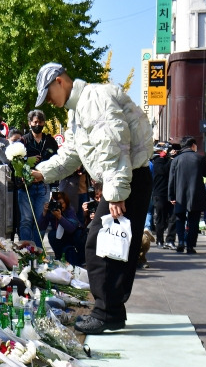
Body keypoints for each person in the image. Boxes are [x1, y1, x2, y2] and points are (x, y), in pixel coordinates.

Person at [31, 62, 153, 335]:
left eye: (49, 94)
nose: (49, 102)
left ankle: (106, 312)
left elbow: (115, 145)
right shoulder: (79, 109)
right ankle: (111, 312)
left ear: (60, 81)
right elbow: (71, 153)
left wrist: (116, 193)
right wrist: (41, 173)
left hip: (124, 179)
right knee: (115, 248)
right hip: (124, 179)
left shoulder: (93, 99)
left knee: (100, 244)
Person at [17, 109, 58, 249]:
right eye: (35, 122)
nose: (38, 124)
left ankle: (38, 252)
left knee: (40, 220)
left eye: (40, 122)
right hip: (26, 187)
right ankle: (25, 252)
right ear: (30, 123)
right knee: (26, 220)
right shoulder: (22, 141)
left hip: (44, 186)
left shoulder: (51, 141)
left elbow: (56, 161)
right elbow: (15, 163)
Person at [167, 136, 206, 254]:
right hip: (196, 194)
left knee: (180, 219)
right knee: (194, 221)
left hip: (179, 195)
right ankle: (190, 245)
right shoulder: (199, 158)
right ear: (193, 145)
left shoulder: (176, 160)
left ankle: (180, 242)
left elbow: (171, 179)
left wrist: (171, 196)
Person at [39, 190, 84, 265]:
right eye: (57, 203)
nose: (60, 206)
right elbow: (41, 227)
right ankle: (59, 256)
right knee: (52, 235)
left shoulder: (70, 210)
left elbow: (71, 229)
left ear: (66, 203)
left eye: (62, 203)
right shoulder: (51, 210)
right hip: (60, 236)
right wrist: (44, 213)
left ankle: (81, 259)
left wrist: (59, 217)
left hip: (73, 236)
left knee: (79, 234)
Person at [151, 148, 173, 249]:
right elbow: (162, 170)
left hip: (172, 194)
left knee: (173, 218)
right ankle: (160, 240)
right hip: (160, 194)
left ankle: (170, 240)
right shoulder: (158, 161)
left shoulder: (174, 161)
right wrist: (170, 159)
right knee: (161, 218)